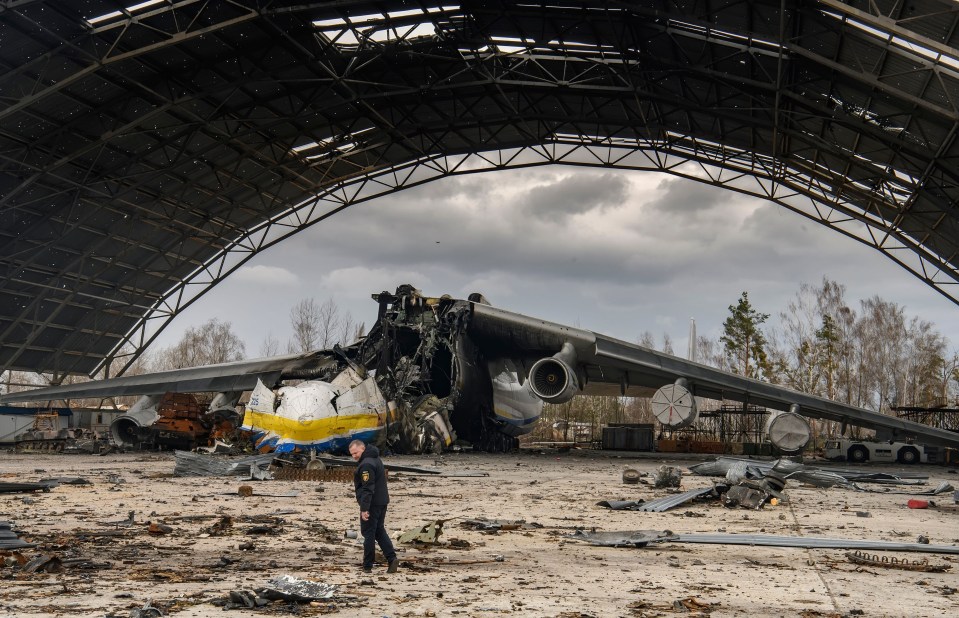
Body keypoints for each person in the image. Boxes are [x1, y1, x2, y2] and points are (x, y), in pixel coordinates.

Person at [349, 439, 399, 573]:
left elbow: (367, 488)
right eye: (352, 454)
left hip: (372, 503)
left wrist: (364, 509)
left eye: (356, 453)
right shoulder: (375, 459)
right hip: (382, 501)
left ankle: (367, 565)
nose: (354, 456)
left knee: (368, 533)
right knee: (379, 531)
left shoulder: (366, 465)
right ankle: (392, 558)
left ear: (363, 449)